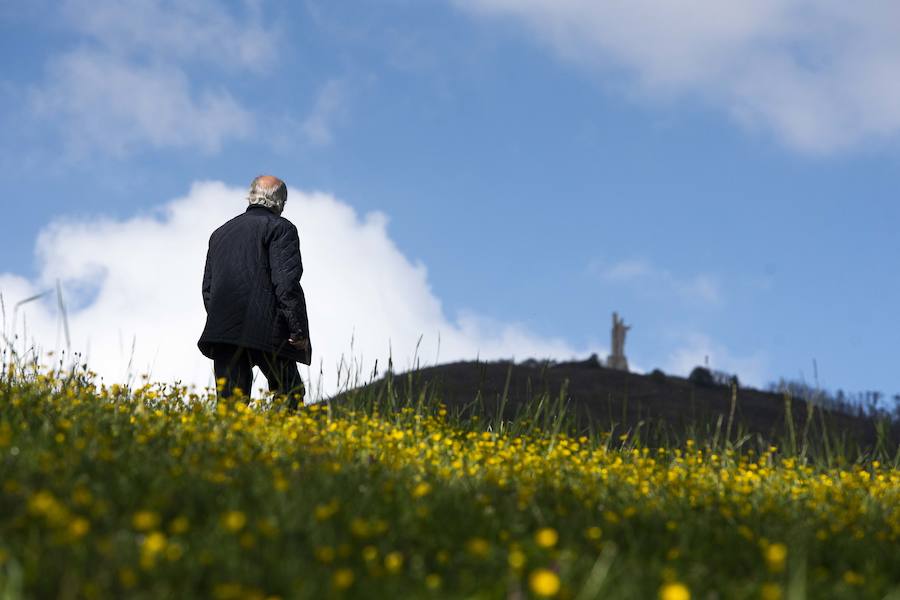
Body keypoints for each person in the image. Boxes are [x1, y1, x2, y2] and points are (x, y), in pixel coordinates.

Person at [197, 175, 311, 409]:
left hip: (225, 331)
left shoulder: (220, 233)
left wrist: (226, 320)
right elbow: (286, 282)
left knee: (230, 406)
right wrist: (297, 330)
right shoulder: (281, 228)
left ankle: (228, 444)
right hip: (269, 327)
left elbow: (208, 289)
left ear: (251, 196)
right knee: (290, 394)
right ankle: (282, 442)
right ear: (280, 202)